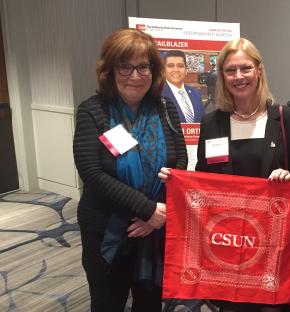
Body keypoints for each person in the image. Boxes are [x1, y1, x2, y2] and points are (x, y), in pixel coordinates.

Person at [159, 37, 290, 312]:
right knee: (229, 305)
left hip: (269, 242)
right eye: (230, 71)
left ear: (259, 70)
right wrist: (177, 182)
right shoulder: (212, 122)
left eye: (245, 68)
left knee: (269, 308)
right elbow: (203, 177)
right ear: (222, 76)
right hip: (226, 239)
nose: (238, 76)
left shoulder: (283, 117)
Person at [73, 28, 187, 312]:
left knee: (149, 302)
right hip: (106, 227)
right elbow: (92, 173)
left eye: (143, 66)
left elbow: (180, 161)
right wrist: (147, 209)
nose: (135, 75)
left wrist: (156, 213)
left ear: (153, 70)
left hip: (155, 228)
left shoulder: (164, 108)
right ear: (110, 71)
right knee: (107, 302)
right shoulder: (93, 110)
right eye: (124, 66)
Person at [162, 50, 205, 123]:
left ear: (186, 70)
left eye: (180, 66)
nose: (176, 70)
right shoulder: (157, 95)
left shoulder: (195, 94)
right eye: (170, 66)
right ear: (163, 70)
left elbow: (203, 120)